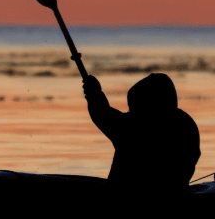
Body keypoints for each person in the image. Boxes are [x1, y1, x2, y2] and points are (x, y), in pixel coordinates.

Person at [82, 73, 201, 209]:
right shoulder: (185, 125)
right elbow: (110, 117)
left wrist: (94, 95)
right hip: (174, 204)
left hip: (130, 204)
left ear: (148, 107)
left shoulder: (136, 130)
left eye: (133, 109)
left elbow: (104, 116)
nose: (129, 113)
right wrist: (97, 94)